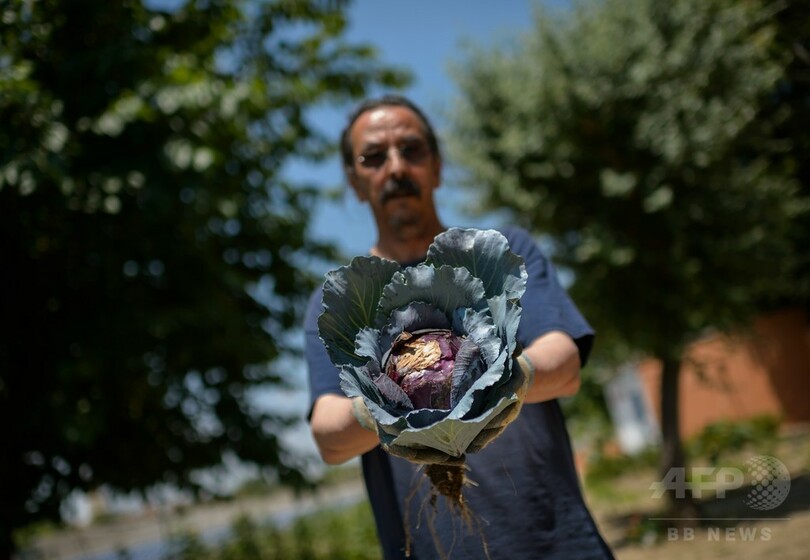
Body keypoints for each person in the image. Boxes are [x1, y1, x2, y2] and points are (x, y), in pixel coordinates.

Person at [305, 94, 614, 559]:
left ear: (437, 165)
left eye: (411, 150)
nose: (395, 168)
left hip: (558, 544)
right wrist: (392, 402)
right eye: (374, 157)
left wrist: (481, 380)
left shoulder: (499, 254)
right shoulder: (343, 300)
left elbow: (565, 363)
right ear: (354, 180)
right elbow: (329, 438)